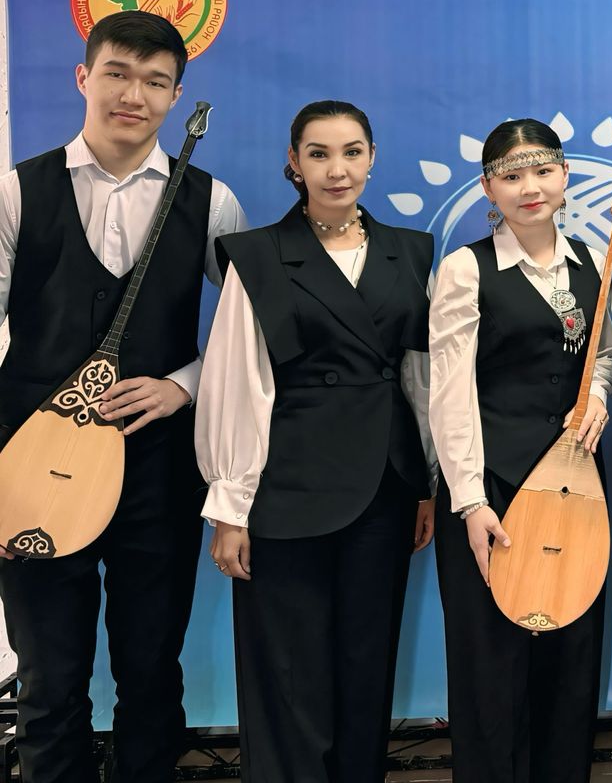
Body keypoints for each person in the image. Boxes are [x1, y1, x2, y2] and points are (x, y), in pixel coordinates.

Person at [0, 11, 245, 783]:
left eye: (154, 81)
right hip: (31, 472)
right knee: (47, 678)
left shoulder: (211, 200)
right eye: (117, 73)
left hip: (157, 473)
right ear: (84, 77)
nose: (133, 95)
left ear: (175, 97)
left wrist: (182, 386)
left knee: (151, 671)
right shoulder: (16, 193)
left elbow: (250, 337)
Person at [195, 100, 435, 783]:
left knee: (367, 664)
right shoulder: (257, 256)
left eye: (352, 152)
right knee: (288, 675)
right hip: (286, 491)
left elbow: (419, 377)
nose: (338, 169)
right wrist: (231, 505)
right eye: (320, 154)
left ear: (372, 158)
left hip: (384, 488)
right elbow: (236, 381)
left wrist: (424, 481)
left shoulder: (410, 250)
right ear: (294, 163)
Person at [428, 118, 612, 783]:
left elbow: (603, 354)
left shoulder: (591, 260)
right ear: (489, 188)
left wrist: (597, 397)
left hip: (577, 489)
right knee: (491, 667)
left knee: (569, 660)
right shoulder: (466, 268)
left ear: (565, 176)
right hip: (495, 493)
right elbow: (448, 394)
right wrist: (470, 501)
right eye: (511, 175)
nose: (529, 187)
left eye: (542, 171)